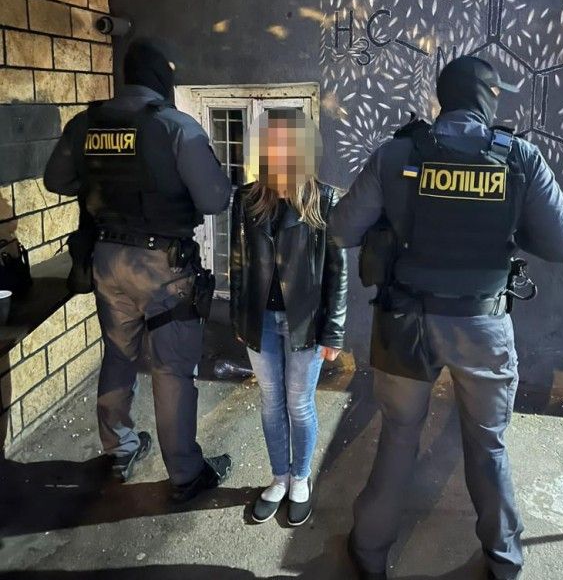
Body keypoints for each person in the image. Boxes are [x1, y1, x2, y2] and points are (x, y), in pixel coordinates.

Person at [329, 56, 563, 580]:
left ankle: (370, 553)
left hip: (405, 324)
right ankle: (504, 561)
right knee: (488, 444)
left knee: (399, 436)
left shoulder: (398, 153)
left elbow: (340, 230)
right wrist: (514, 225)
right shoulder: (519, 157)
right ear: (488, 98)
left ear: (443, 97)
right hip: (481, 326)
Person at [44, 38, 233, 503]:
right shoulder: (175, 126)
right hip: (162, 267)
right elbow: (215, 199)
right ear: (161, 79)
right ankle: (185, 474)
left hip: (107, 259)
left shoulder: (86, 123)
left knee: (119, 354)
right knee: (171, 369)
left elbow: (55, 180)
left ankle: (120, 450)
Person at [230, 109, 348, 525]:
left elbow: (337, 271)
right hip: (260, 320)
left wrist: (334, 331)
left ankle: (301, 478)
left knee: (299, 404)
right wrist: (239, 320)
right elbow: (239, 263)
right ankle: (279, 478)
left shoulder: (325, 199)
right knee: (271, 402)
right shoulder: (247, 198)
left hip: (305, 324)